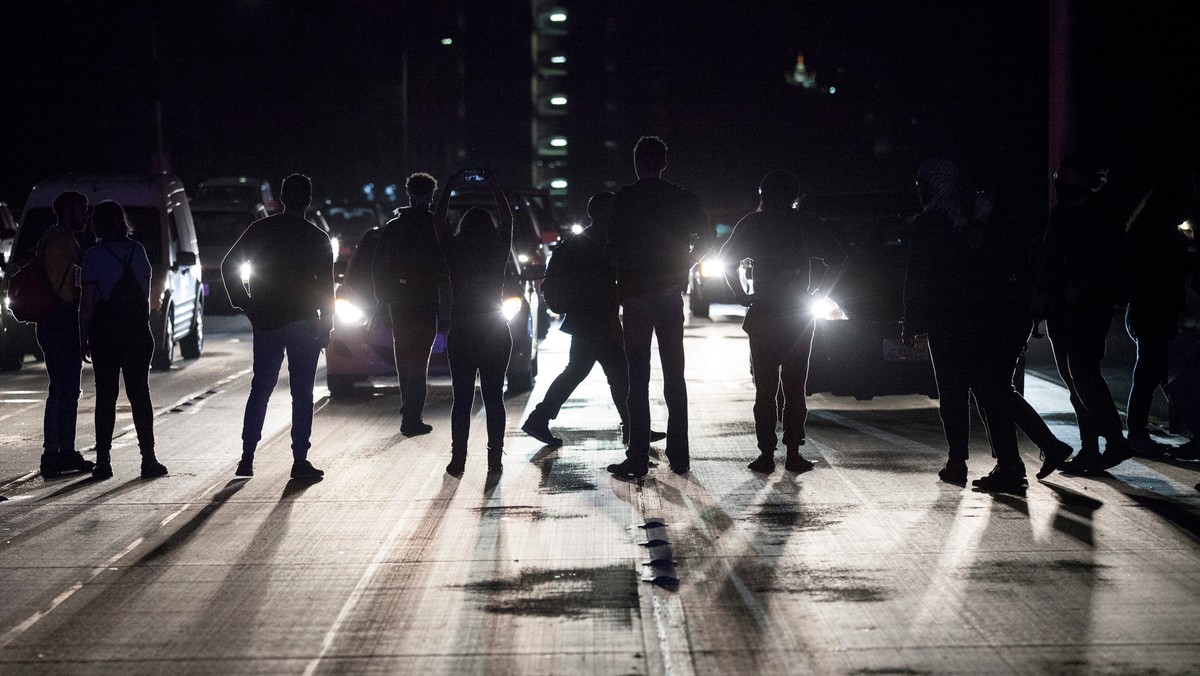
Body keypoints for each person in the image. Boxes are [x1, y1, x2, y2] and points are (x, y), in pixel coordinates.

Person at [903, 158, 1038, 492]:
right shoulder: (972, 220)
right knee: (988, 392)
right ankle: (1011, 461)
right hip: (980, 319)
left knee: (953, 394)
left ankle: (958, 461)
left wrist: (912, 319)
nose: (919, 191)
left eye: (923, 185)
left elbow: (918, 278)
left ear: (935, 186)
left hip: (945, 321)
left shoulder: (928, 224)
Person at [718, 171, 844, 474]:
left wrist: (741, 295)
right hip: (798, 316)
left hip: (763, 314)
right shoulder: (805, 222)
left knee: (765, 390)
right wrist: (818, 293)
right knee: (794, 387)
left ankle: (765, 455)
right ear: (794, 196)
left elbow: (725, 258)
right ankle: (792, 453)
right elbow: (837, 258)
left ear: (763, 194)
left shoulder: (753, 223)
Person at [521, 192, 667, 447]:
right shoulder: (599, 242)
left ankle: (540, 418)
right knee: (618, 374)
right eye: (613, 210)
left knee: (583, 371)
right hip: (597, 319)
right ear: (603, 212)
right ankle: (633, 430)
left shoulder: (584, 241)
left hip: (586, 319)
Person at [605, 136, 711, 479]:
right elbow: (708, 239)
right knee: (673, 375)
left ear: (636, 162)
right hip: (668, 294)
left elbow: (612, 245)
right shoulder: (682, 198)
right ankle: (679, 454)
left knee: (638, 376)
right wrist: (685, 266)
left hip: (636, 294)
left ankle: (637, 457)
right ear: (664, 162)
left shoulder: (626, 198)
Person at [221, 174, 333, 480]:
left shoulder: (260, 230)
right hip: (304, 322)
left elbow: (228, 266)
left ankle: (247, 457)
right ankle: (299, 460)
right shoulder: (317, 237)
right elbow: (325, 287)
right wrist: (328, 324)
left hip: (267, 321)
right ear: (309, 200)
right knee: (302, 394)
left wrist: (245, 304)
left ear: (281, 198)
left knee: (261, 388)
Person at [1033, 154, 1134, 474]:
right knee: (1073, 379)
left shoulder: (1099, 215)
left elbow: (1110, 265)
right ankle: (1090, 448)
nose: (1059, 180)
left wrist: (1084, 288)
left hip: (1088, 307)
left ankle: (1115, 440)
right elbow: (1049, 260)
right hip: (1060, 308)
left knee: (1083, 374)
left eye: (1065, 175)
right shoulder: (1061, 213)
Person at [78, 201, 167, 479]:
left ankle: (103, 462)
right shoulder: (137, 251)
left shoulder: (93, 256)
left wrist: (83, 338)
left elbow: (87, 303)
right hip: (138, 333)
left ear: (97, 225)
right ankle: (148, 459)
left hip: (105, 335)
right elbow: (147, 295)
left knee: (106, 397)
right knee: (140, 395)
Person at [434, 171, 513, 477]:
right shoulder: (498, 251)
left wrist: (450, 186)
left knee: (461, 399)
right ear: (490, 228)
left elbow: (438, 223)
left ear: (463, 228)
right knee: (495, 397)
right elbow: (507, 220)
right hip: (494, 330)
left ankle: (459, 459)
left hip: (463, 329)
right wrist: (494, 185)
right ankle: (495, 460)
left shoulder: (455, 252)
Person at [372, 172, 447, 436]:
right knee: (417, 362)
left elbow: (378, 267)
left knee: (406, 360)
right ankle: (411, 414)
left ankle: (410, 411)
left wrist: (384, 298)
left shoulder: (395, 226)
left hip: (401, 304)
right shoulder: (435, 225)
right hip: (424, 303)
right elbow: (446, 265)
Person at [1122, 180, 1193, 456]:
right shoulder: (1167, 240)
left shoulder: (1139, 233)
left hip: (1142, 311)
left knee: (1149, 374)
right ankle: (1140, 433)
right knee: (1156, 374)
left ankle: (1138, 432)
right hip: (1157, 313)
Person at [35, 191, 95, 479]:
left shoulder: (55, 237)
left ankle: (59, 450)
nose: (86, 214)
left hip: (53, 322)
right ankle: (58, 452)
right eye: (82, 209)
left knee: (62, 388)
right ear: (69, 210)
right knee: (65, 390)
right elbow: (67, 291)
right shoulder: (60, 241)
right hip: (60, 322)